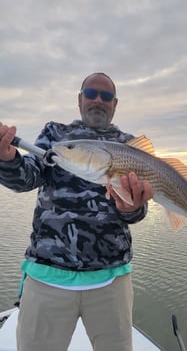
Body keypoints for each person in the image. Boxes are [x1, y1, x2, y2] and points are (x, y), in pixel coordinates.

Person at [0, 72, 153, 351]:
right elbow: (27, 178)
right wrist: (8, 159)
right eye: (91, 93)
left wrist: (132, 208)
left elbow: (137, 213)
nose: (98, 100)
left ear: (115, 104)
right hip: (47, 276)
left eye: (106, 96)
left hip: (111, 279)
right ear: (79, 99)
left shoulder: (128, 146)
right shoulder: (55, 135)